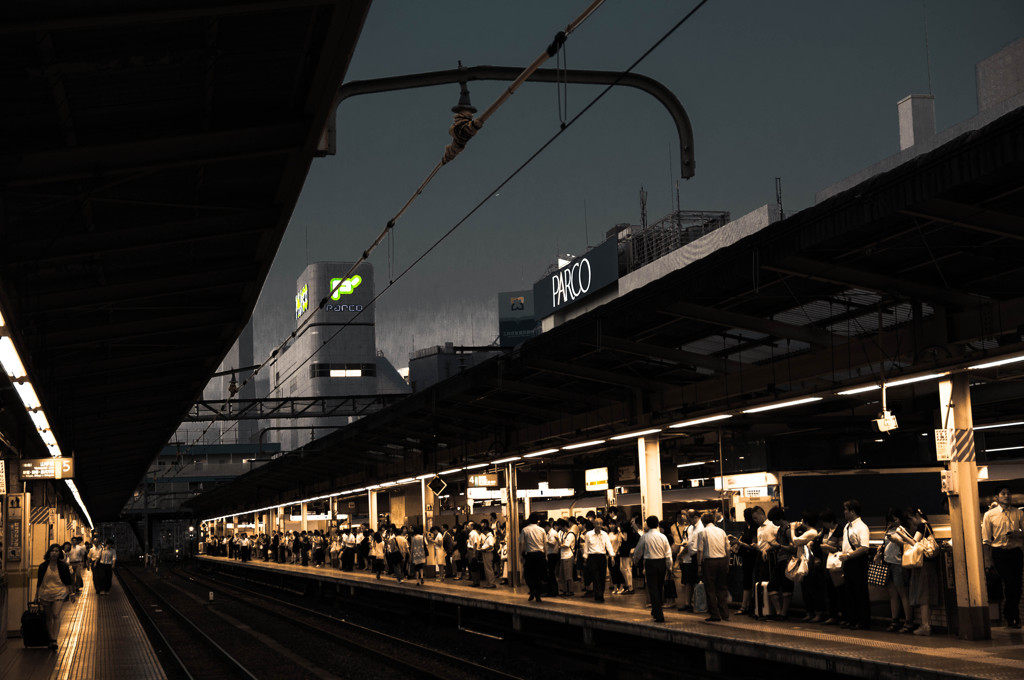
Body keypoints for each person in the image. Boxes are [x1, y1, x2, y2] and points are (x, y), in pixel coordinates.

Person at [982, 485, 1024, 629]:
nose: (1007, 496)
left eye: (1008, 493)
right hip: (999, 553)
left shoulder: (1018, 513)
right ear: (997, 497)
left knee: (1018, 587)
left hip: (1016, 552)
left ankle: (1008, 611)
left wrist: (1018, 534)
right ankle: (1014, 617)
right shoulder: (990, 515)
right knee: (1010, 583)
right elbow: (986, 540)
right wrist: (987, 561)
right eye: (1003, 493)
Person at [633, 516, 673, 623]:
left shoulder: (645, 537)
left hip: (650, 564)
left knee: (653, 589)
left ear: (648, 525)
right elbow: (668, 553)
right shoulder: (663, 537)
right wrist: (670, 566)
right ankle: (655, 611)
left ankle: (659, 614)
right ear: (657, 525)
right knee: (659, 588)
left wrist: (635, 561)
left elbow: (638, 551)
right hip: (661, 563)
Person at [839, 499, 871, 630]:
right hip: (848, 562)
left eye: (845, 510)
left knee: (860, 591)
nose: (844, 512)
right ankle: (852, 619)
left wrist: (848, 555)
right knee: (849, 591)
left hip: (858, 562)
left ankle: (862, 620)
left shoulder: (862, 527)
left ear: (852, 511)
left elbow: (864, 548)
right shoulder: (847, 526)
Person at [907, 508, 939, 635]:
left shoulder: (922, 525)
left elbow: (915, 543)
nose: (911, 523)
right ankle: (927, 624)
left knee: (923, 595)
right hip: (930, 564)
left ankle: (925, 625)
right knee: (927, 594)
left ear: (916, 516)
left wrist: (901, 537)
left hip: (924, 564)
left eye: (910, 519)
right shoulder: (928, 525)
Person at [880, 507, 913, 632]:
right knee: (892, 593)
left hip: (899, 564)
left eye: (894, 520)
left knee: (903, 593)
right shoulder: (889, 529)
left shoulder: (903, 530)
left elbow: (910, 545)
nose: (892, 523)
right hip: (889, 563)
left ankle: (908, 621)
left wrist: (898, 541)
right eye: (890, 520)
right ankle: (895, 620)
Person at [36, 543, 75, 650]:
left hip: (60, 592)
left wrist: (71, 593)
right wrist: (36, 596)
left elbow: (68, 581)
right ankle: (51, 637)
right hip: (46, 593)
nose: (54, 553)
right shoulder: (43, 566)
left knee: (55, 614)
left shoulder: (63, 566)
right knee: (48, 617)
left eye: (56, 551)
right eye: (52, 551)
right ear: (49, 552)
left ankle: (54, 639)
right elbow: (39, 582)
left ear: (59, 553)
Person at [697, 512, 731, 622]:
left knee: (710, 589)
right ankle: (725, 613)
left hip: (710, 562)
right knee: (722, 588)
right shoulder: (722, 531)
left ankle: (715, 614)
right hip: (722, 561)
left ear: (703, 521)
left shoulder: (702, 532)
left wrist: (699, 566)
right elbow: (728, 549)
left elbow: (700, 550)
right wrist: (727, 562)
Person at [582, 518, 615, 603]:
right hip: (592, 557)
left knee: (602, 576)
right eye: (597, 524)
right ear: (594, 524)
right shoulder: (588, 534)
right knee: (595, 576)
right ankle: (598, 593)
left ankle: (600, 593)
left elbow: (608, 545)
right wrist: (585, 557)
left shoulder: (604, 534)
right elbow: (586, 546)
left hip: (602, 556)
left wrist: (612, 556)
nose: (599, 525)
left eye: (601, 524)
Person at [520, 513, 548, 602]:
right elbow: (545, 544)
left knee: (528, 575)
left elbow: (522, 544)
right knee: (538, 575)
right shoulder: (542, 530)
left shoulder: (524, 530)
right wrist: (546, 555)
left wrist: (521, 555)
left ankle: (532, 590)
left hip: (530, 555)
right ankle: (538, 594)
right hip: (540, 555)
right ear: (537, 521)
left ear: (529, 520)